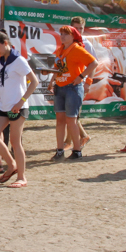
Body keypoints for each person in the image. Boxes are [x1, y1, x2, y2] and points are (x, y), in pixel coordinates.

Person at [0, 31, 39, 188]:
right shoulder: (2, 61)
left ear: (5, 43)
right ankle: (11, 165)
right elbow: (2, 86)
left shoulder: (18, 60)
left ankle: (22, 177)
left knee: (15, 142)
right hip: (3, 106)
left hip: (17, 107)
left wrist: (21, 102)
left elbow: (34, 82)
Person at [51, 25, 97, 160]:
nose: (62, 36)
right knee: (60, 121)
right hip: (59, 87)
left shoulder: (77, 49)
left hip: (73, 88)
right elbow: (57, 68)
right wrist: (51, 80)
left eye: (66, 34)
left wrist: (82, 77)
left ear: (73, 36)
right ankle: (59, 150)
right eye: (61, 34)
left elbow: (94, 63)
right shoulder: (60, 50)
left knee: (71, 120)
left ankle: (77, 151)